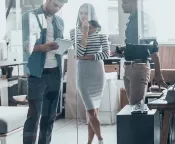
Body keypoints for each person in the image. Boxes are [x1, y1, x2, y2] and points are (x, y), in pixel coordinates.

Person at [21, 0, 67, 144]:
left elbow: (60, 46)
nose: (57, 9)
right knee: (34, 116)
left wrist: (62, 46)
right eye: (55, 5)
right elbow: (25, 46)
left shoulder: (59, 21)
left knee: (49, 117)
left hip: (55, 73)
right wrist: (42, 47)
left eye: (60, 7)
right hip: (37, 74)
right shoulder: (29, 16)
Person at [70, 3, 109, 144]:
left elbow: (105, 54)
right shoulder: (74, 31)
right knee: (91, 111)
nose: (83, 16)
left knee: (92, 112)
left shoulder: (101, 31)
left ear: (92, 14)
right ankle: (101, 139)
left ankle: (89, 143)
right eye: (81, 13)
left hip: (97, 73)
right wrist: (85, 33)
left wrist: (88, 57)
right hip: (83, 74)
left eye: (86, 13)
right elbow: (79, 52)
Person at [121, 0, 166, 110]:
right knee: (133, 107)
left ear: (134, 3)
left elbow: (153, 48)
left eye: (124, 2)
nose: (121, 5)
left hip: (138, 67)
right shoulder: (131, 19)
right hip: (128, 66)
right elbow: (137, 44)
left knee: (136, 107)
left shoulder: (143, 20)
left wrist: (158, 72)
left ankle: (136, 127)